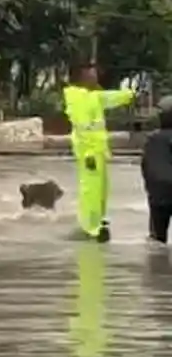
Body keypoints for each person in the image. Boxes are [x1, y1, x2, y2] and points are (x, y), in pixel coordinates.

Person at [63, 64, 136, 243]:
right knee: (91, 190)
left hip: (97, 151)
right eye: (91, 75)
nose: (95, 79)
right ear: (81, 79)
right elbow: (82, 128)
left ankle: (98, 221)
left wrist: (129, 94)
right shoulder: (78, 99)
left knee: (101, 189)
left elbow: (109, 98)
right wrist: (88, 153)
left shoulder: (91, 96)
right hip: (90, 152)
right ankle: (91, 227)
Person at [142, 96, 172, 244]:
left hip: (157, 195)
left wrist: (150, 189)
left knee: (157, 239)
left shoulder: (151, 139)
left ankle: (156, 265)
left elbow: (145, 167)